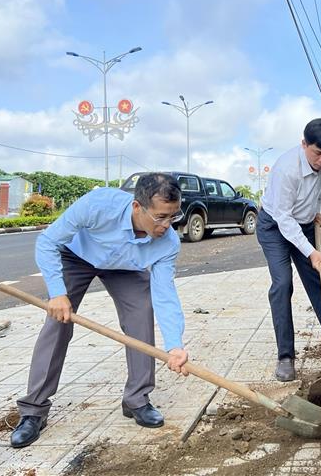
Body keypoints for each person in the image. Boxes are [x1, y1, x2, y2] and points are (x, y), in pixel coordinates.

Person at [11, 173, 190, 448]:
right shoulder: (98, 204)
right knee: (58, 323)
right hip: (77, 257)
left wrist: (175, 345)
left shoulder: (167, 243)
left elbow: (165, 295)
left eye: (173, 217)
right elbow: (47, 241)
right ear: (137, 207)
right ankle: (33, 410)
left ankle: (137, 400)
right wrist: (58, 293)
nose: (166, 225)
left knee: (142, 315)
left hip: (126, 268)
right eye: (160, 217)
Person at [257, 118, 321, 381]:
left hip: (305, 223)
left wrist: (315, 209)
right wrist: (310, 252)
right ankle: (285, 357)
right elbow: (284, 218)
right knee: (282, 284)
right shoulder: (287, 170)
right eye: (317, 153)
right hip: (274, 226)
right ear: (304, 143)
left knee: (320, 280)